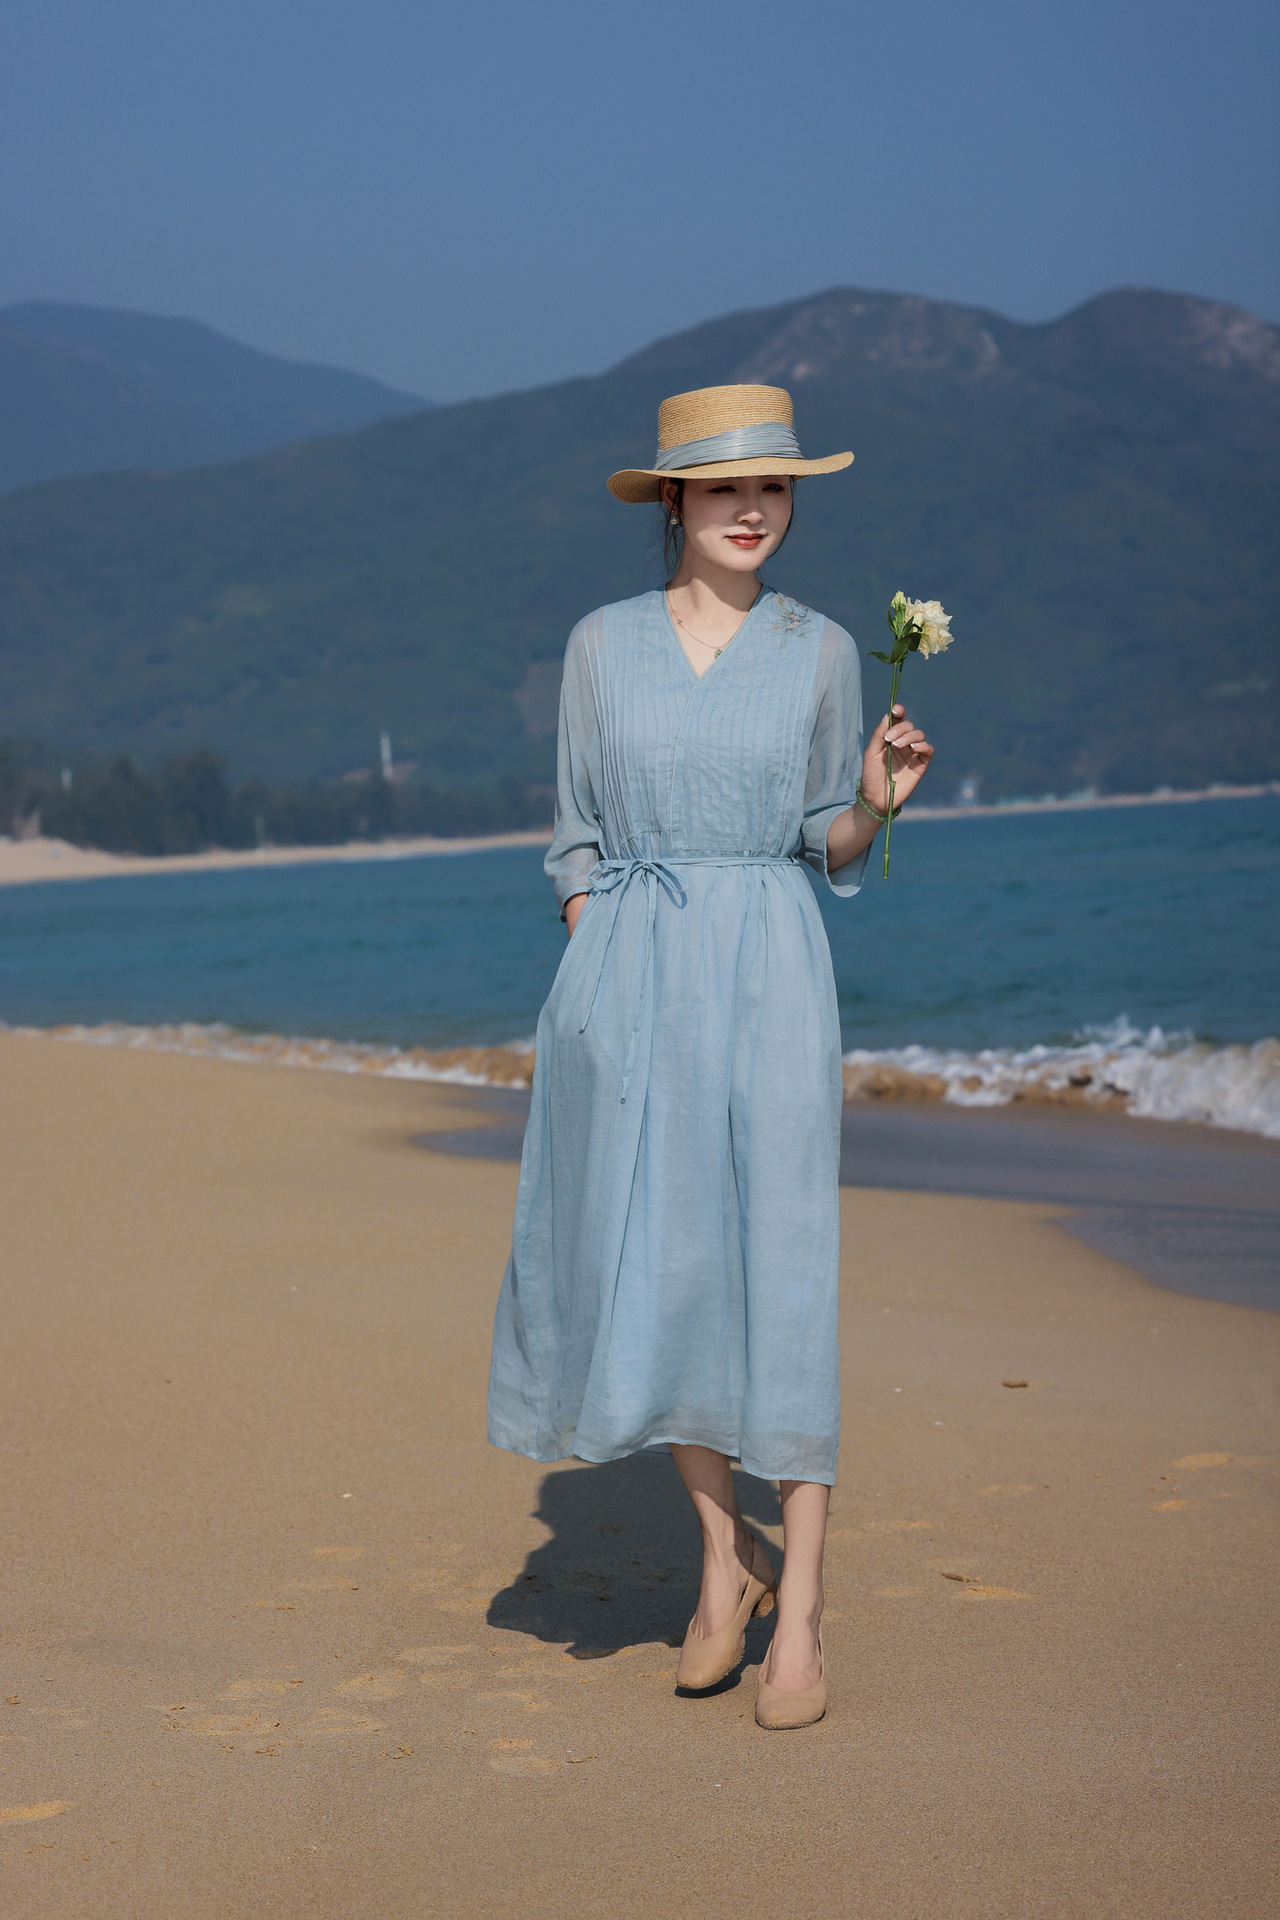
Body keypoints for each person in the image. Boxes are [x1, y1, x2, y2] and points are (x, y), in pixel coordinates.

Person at [488, 383, 935, 1728]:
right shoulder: (600, 645)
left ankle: (802, 1605)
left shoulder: (822, 649)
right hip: (631, 978)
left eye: (774, 486)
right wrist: (598, 954)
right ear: (674, 499)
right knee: (673, 1264)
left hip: (774, 972)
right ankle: (720, 1565)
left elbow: (823, 838)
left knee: (784, 1264)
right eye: (726, 486)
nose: (753, 508)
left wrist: (876, 802)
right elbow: (575, 834)